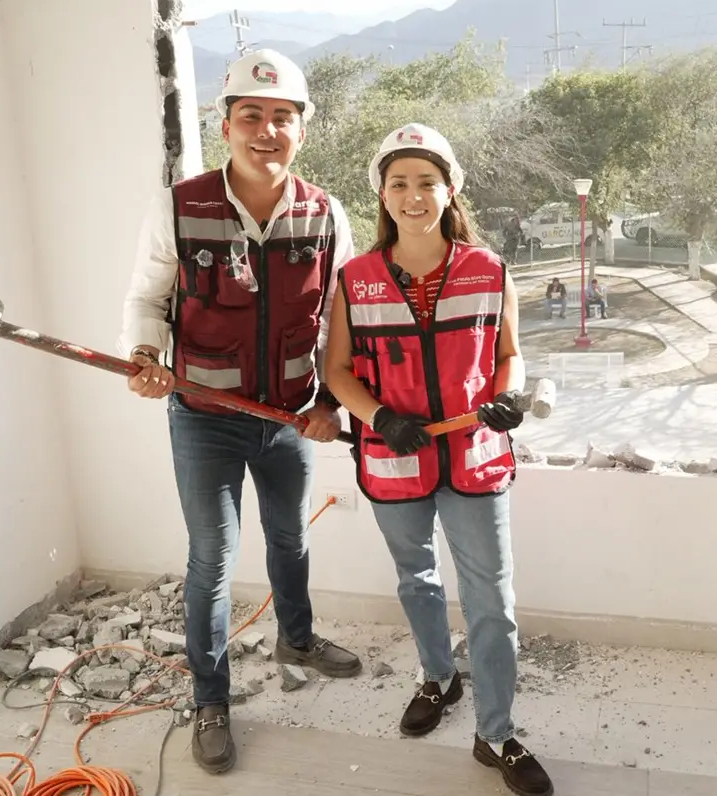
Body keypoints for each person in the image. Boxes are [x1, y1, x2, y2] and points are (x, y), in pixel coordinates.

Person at [117, 48, 362, 776]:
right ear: (225, 125)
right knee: (213, 561)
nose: (267, 130)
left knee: (289, 540)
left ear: (302, 130)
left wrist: (323, 401)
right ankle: (211, 699)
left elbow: (337, 325)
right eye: (251, 115)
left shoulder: (324, 214)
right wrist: (143, 355)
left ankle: (298, 637)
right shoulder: (179, 206)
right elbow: (145, 298)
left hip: (288, 418)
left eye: (282, 117)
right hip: (204, 416)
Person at [322, 123, 554, 796]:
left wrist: (507, 394)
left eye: (427, 181)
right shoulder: (355, 280)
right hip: (395, 458)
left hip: (474, 455)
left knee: (492, 600)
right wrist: (381, 417)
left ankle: (497, 734)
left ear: (448, 190)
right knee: (416, 579)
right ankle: (439, 677)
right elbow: (337, 371)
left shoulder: (488, 270)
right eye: (399, 183)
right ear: (382, 195)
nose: (414, 195)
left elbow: (508, 353)